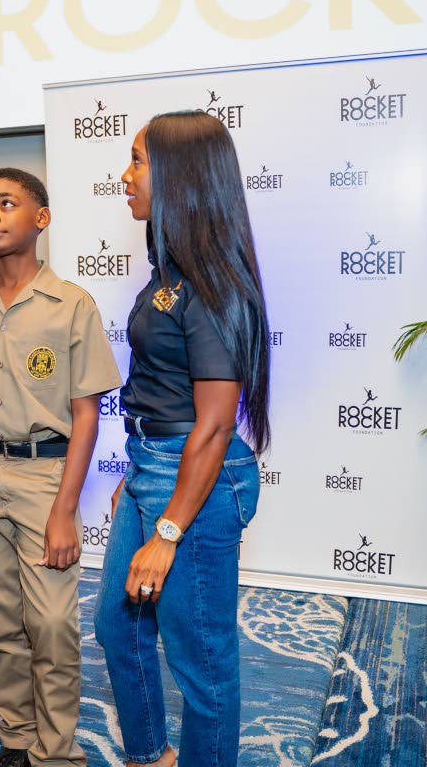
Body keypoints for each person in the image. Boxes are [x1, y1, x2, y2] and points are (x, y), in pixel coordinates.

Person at [93, 111, 271, 767]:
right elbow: (164, 386)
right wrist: (134, 474)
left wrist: (167, 530)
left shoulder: (213, 285)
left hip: (192, 480)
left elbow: (217, 422)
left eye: (138, 161)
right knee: (119, 628)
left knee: (204, 667)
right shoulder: (168, 275)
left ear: (180, 176)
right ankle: (150, 756)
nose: (126, 176)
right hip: (152, 469)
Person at [0, 168, 122, 767]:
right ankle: (16, 738)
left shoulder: (72, 306)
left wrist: (66, 509)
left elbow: (86, 415)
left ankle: (56, 754)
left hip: (45, 479)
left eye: (7, 203)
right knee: (0, 619)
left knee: (54, 624)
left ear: (41, 218)